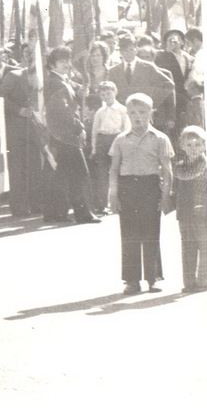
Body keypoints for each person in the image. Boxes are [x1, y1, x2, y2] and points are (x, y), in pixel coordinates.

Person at [108, 93, 175, 294]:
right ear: (127, 114)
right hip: (127, 187)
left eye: (143, 112)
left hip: (150, 187)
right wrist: (113, 195)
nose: (138, 117)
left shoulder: (160, 138)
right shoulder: (120, 139)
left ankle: (153, 278)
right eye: (133, 113)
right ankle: (131, 280)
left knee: (151, 232)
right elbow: (114, 169)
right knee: (129, 234)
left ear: (151, 113)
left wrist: (166, 196)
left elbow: (167, 170)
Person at [42, 46, 98, 224]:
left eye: (68, 60)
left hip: (61, 135)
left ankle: (54, 213)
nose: (67, 64)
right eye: (62, 61)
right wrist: (79, 126)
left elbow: (71, 96)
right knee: (79, 174)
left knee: (62, 175)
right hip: (65, 135)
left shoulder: (59, 80)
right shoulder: (55, 83)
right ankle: (83, 214)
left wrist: (79, 92)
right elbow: (63, 110)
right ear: (52, 64)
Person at [0, 58, 48, 216]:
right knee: (18, 169)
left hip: (34, 130)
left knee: (35, 167)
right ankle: (19, 207)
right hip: (15, 131)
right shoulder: (14, 76)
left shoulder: (42, 81)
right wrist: (18, 110)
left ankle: (37, 204)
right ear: (31, 73)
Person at [108, 34, 176, 138]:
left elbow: (168, 85)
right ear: (120, 52)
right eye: (125, 51)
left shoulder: (147, 67)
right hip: (122, 115)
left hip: (143, 114)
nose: (129, 53)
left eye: (131, 50)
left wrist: (151, 103)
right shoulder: (113, 71)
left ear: (136, 50)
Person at [167, 125, 207, 293]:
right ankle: (189, 282)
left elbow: (187, 175)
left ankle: (203, 280)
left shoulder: (202, 163)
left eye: (197, 144)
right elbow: (176, 186)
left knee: (204, 246)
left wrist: (173, 169)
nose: (193, 148)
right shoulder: (181, 164)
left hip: (201, 210)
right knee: (188, 246)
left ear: (204, 146)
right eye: (189, 145)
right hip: (185, 211)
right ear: (182, 146)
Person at [90, 80, 128, 215]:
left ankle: (119, 203)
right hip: (102, 141)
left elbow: (126, 128)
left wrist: (124, 146)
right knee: (102, 173)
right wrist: (94, 148)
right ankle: (102, 205)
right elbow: (95, 131)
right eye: (103, 95)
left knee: (117, 171)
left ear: (115, 92)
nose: (106, 96)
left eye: (108, 93)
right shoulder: (100, 112)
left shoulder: (122, 110)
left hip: (116, 139)